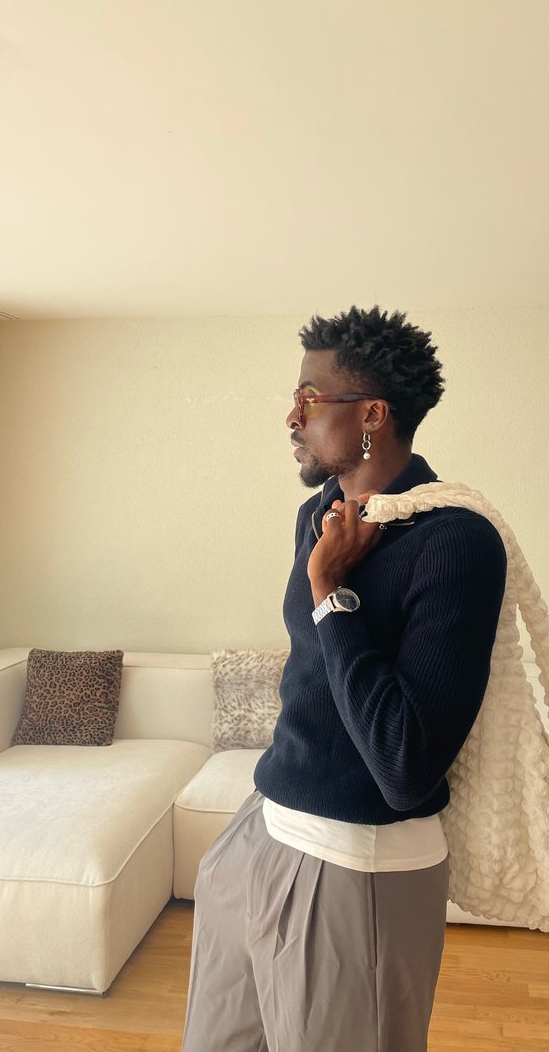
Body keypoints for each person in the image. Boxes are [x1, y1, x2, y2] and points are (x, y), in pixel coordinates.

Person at [181, 306, 507, 1052]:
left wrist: (331, 592)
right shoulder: (319, 514)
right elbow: (315, 683)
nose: (292, 417)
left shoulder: (456, 542)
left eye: (309, 398)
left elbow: (407, 765)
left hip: (355, 865)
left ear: (371, 415)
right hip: (261, 827)